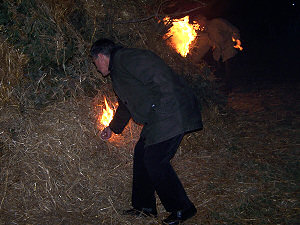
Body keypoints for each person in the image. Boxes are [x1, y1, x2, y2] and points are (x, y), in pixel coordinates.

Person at [90, 38, 203, 224]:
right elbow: (126, 105)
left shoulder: (128, 58)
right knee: (142, 153)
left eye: (95, 63)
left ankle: (183, 208)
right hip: (161, 113)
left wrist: (159, 109)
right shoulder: (119, 70)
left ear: (101, 56)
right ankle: (145, 207)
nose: (96, 67)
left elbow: (160, 78)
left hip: (171, 110)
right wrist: (112, 128)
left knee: (155, 159)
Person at [190, 16, 242, 91]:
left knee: (229, 68)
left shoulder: (216, 22)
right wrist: (194, 60)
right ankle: (222, 86)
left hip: (228, 47)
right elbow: (203, 47)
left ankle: (229, 87)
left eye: (199, 21)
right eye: (197, 22)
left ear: (204, 19)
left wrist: (237, 40)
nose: (198, 24)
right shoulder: (205, 31)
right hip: (218, 52)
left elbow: (232, 29)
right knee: (218, 69)